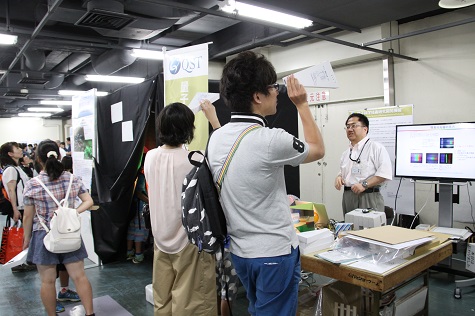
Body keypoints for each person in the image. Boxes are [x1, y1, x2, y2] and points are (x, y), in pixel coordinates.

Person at [207, 50, 325, 316]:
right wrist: (302, 105)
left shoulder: (216, 138)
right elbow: (317, 149)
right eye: (273, 88)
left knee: (257, 308)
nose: (278, 93)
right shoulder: (271, 139)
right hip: (274, 252)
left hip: (240, 252)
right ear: (257, 96)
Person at [144, 101, 219, 316]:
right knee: (194, 303)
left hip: (160, 237)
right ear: (189, 129)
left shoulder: (151, 157)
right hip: (190, 240)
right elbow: (224, 154)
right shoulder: (194, 160)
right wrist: (213, 119)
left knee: (163, 300)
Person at [22, 139, 95, 316]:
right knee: (80, 277)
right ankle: (90, 313)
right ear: (59, 155)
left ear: (38, 159)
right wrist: (73, 213)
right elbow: (89, 201)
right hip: (69, 234)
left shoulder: (33, 184)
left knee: (47, 282)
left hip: (43, 235)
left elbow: (28, 216)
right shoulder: (72, 179)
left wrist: (26, 239)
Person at [334, 113, 392, 215]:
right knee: (350, 229)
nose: (350, 129)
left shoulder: (376, 148)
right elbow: (344, 171)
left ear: (365, 129)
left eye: (354, 126)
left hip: (368, 195)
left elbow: (384, 174)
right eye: (347, 127)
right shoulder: (346, 153)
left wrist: (364, 185)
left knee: (370, 230)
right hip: (348, 196)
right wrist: (339, 177)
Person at [126, 155, 149, 264]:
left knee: (132, 229)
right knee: (140, 230)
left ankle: (129, 252)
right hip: (141, 207)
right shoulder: (143, 176)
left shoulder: (136, 173)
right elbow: (139, 192)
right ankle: (138, 255)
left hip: (132, 205)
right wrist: (150, 202)